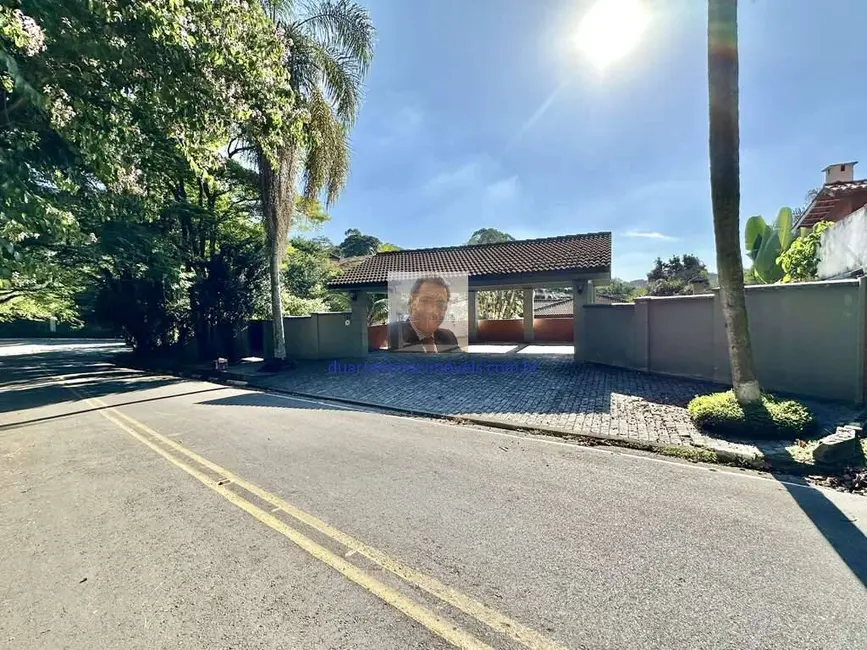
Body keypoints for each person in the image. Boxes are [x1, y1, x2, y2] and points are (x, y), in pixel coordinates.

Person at [388, 275, 460, 353]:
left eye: (441, 305)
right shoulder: (391, 336)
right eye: (426, 301)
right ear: (412, 303)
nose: (433, 311)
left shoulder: (449, 337)